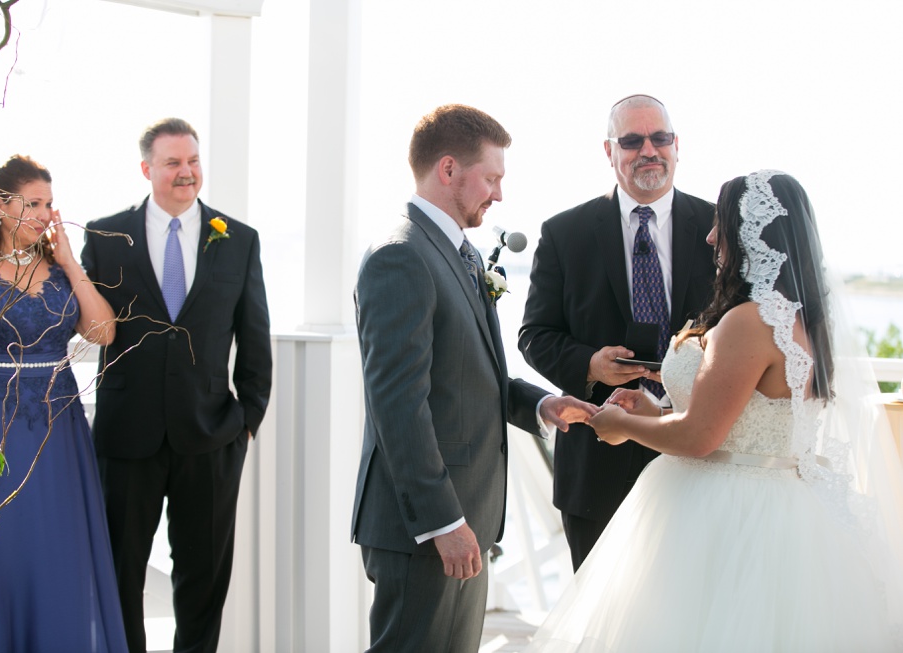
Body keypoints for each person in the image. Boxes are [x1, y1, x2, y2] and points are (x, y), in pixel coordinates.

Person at [526, 170, 903, 652]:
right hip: (781, 500)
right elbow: (739, 425)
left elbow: (701, 437)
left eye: (719, 224)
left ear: (750, 232)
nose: (709, 237)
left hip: (729, 514)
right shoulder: (801, 318)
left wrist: (623, 425)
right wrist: (653, 412)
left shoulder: (749, 322)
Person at [352, 104, 599, 653]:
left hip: (467, 517)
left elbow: (470, 375)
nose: (499, 194)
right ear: (447, 170)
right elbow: (398, 404)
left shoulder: (453, 250)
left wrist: (542, 406)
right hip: (427, 529)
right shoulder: (401, 256)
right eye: (491, 178)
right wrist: (443, 523)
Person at [82, 118, 272, 653]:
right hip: (126, 439)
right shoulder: (104, 236)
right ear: (147, 169)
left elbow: (254, 342)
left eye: (192, 160)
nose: (186, 172)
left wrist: (246, 424)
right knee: (120, 577)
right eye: (172, 163)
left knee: (203, 581)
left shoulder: (238, 240)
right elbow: (89, 322)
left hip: (211, 437)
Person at [0, 155, 128, 652]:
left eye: (49, 204)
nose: (44, 214)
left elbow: (102, 331)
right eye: (32, 203)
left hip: (61, 433)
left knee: (59, 554)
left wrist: (70, 262)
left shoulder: (59, 273)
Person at [518, 94, 717, 571]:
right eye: (631, 141)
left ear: (676, 145)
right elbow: (534, 334)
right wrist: (589, 364)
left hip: (700, 459)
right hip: (596, 466)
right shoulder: (565, 233)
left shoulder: (718, 226)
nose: (649, 150)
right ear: (609, 151)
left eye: (660, 138)